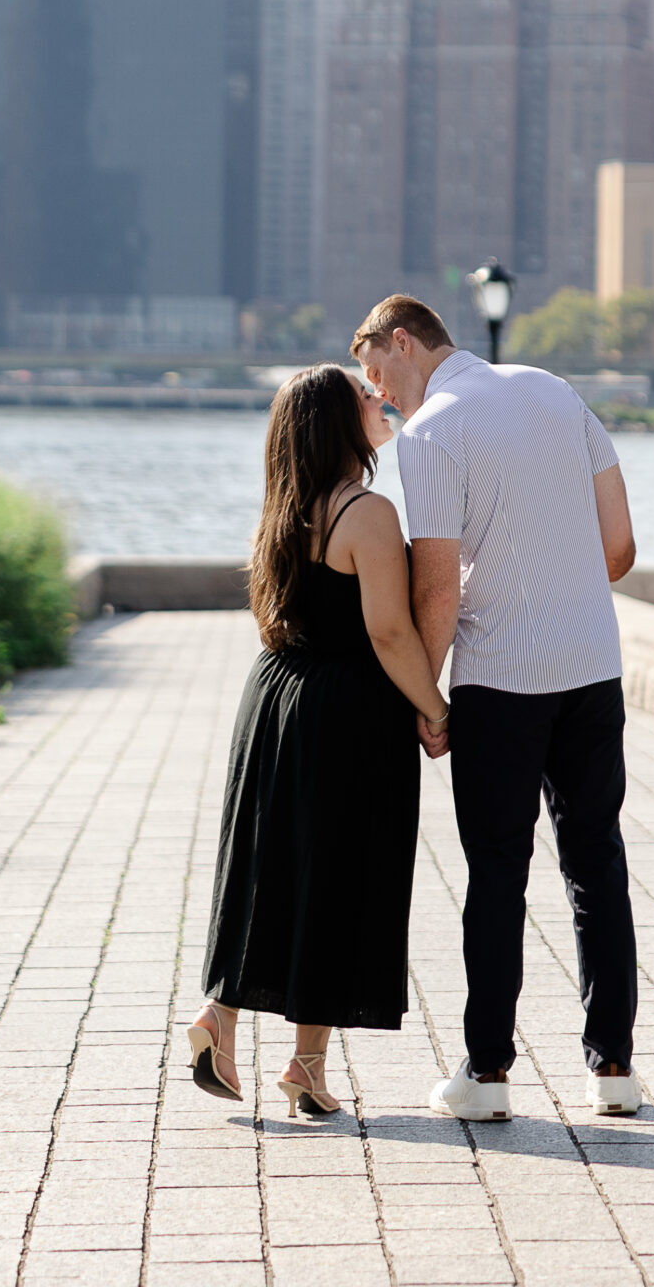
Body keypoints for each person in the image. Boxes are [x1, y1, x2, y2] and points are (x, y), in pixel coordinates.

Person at [352, 292, 642, 1123]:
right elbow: (618, 548)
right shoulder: (555, 390)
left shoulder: (435, 428)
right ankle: (613, 1067)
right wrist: (560, 586)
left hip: (499, 685)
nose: (382, 399)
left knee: (496, 877)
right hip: (591, 667)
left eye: (379, 377)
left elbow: (436, 588)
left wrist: (425, 697)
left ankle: (485, 1074)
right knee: (596, 864)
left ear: (403, 342)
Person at [189, 364, 449, 1117]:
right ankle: (300, 1062)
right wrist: (435, 709)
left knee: (265, 868)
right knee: (337, 877)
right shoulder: (366, 512)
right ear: (339, 421)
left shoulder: (282, 509)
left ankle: (230, 1024)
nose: (380, 401)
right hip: (345, 710)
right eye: (364, 397)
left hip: (274, 696)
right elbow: (389, 629)